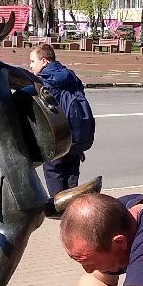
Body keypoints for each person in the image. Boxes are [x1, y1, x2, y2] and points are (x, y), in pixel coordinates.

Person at [29, 43, 95, 196]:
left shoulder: (43, 82)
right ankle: (72, 204)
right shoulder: (71, 75)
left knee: (53, 168)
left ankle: (59, 205)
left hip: (58, 134)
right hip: (77, 133)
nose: (30, 65)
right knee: (72, 169)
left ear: (44, 61)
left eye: (33, 61)